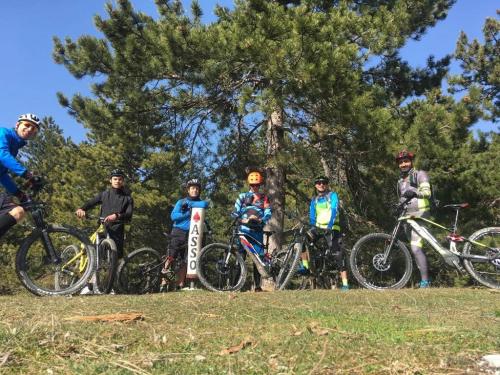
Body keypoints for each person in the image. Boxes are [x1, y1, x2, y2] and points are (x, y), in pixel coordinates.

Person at [161, 178, 208, 290]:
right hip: (178, 231)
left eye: (197, 188)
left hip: (192, 233)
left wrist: (191, 205)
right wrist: (187, 213)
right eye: (192, 188)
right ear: (188, 190)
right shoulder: (181, 202)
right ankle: (163, 282)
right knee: (171, 256)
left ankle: (180, 285)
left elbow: (205, 204)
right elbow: (173, 217)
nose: (195, 190)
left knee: (185, 260)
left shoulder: (199, 202)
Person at [76, 169, 134, 260]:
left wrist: (117, 216)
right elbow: (91, 203)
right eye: (115, 179)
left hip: (117, 230)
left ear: (123, 181)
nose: (117, 181)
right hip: (104, 228)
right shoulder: (104, 194)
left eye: (120, 179)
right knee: (97, 255)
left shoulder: (128, 198)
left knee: (116, 258)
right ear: (110, 180)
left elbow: (129, 214)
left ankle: (112, 274)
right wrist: (81, 209)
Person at [0, 114, 42, 239]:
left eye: (34, 129)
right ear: (17, 125)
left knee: (18, 212)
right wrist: (26, 174)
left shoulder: (15, 148)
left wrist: (19, 194)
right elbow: (2, 154)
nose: (30, 129)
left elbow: (2, 175)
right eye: (27, 125)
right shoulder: (3, 133)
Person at [395, 150, 432, 288]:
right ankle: (425, 280)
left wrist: (415, 192)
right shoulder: (400, 181)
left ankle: (425, 281)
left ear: (411, 162)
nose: (403, 164)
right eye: (401, 162)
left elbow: (427, 192)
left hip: (421, 215)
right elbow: (402, 199)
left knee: (416, 249)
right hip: (407, 217)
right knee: (416, 249)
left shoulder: (419, 174)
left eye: (406, 161)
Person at [232, 170, 272, 292]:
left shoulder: (264, 198)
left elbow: (268, 213)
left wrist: (260, 220)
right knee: (241, 257)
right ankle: (235, 286)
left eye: (257, 185)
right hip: (243, 231)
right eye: (253, 185)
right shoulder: (242, 196)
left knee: (257, 258)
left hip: (257, 231)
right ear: (249, 185)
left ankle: (258, 286)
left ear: (260, 185)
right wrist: (242, 220)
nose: (255, 187)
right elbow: (234, 212)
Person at [308, 175, 349, 291]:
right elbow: (312, 216)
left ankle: (345, 284)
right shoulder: (314, 200)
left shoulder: (332, 195)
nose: (321, 185)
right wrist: (312, 227)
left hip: (332, 227)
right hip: (318, 228)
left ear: (327, 184)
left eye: (324, 183)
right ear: (316, 185)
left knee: (338, 254)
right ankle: (304, 266)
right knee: (302, 238)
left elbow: (334, 209)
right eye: (319, 183)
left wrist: (330, 225)